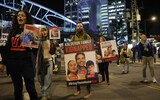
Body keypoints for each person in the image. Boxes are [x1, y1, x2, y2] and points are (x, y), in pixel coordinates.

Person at [1, 10, 38, 100]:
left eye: (22, 15)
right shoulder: (13, 31)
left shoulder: (31, 30)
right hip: (13, 62)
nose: (20, 17)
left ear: (27, 18)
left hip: (26, 61)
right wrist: (3, 63)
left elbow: (35, 50)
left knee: (30, 86)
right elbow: (7, 48)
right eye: (18, 16)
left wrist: (33, 45)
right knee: (17, 88)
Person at [71, 22, 92, 99]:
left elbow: (91, 46)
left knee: (87, 75)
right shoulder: (73, 38)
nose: (79, 27)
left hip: (85, 59)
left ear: (83, 27)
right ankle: (78, 90)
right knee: (77, 75)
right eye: (78, 26)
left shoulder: (87, 36)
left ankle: (89, 92)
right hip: (78, 59)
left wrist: (95, 56)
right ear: (76, 28)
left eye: (80, 26)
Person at [36, 27, 56, 100]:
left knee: (48, 78)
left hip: (49, 61)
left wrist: (54, 45)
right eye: (42, 31)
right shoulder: (37, 41)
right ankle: (46, 93)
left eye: (45, 31)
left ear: (47, 32)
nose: (44, 32)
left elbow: (53, 52)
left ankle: (45, 94)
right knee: (40, 79)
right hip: (39, 63)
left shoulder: (50, 41)